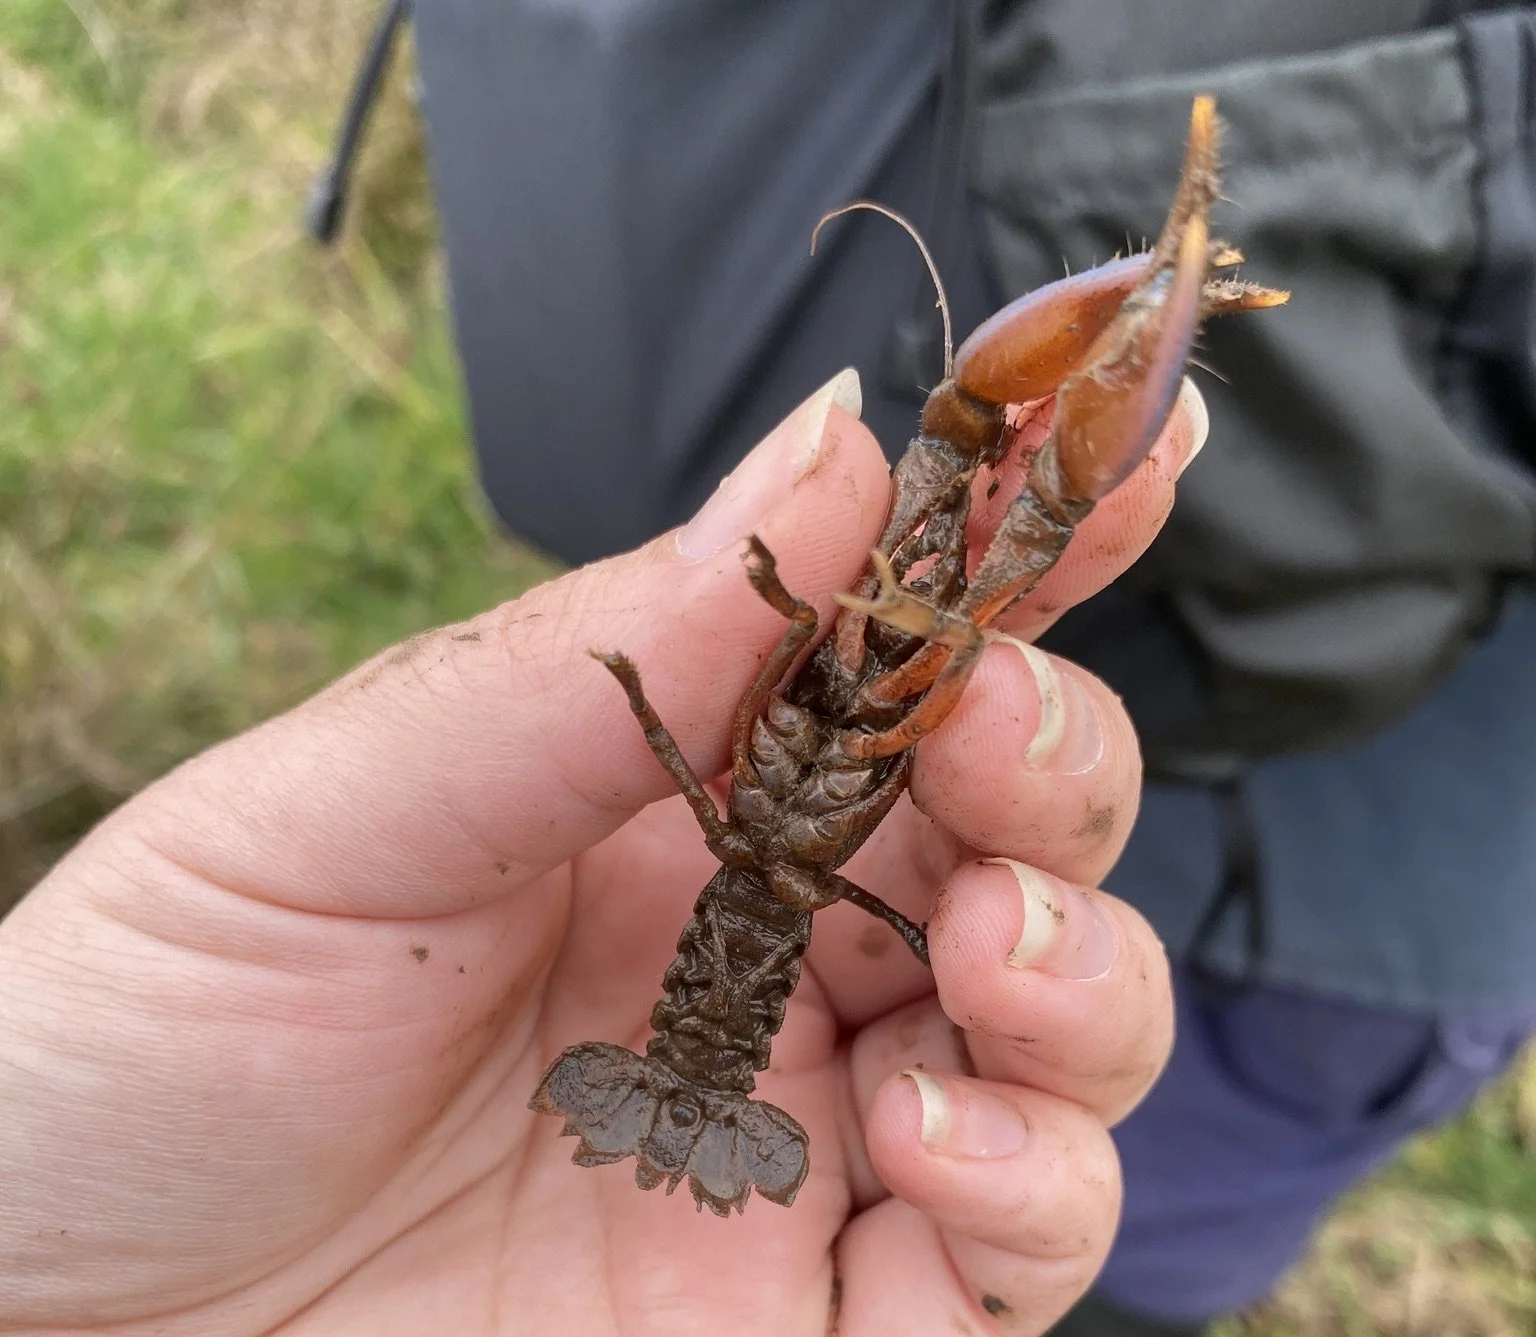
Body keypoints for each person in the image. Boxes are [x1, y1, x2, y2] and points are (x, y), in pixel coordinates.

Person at [384, 1, 1536, 1332]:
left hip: (1208, 886)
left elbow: (795, 673)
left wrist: (717, 685)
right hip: (1375, 881)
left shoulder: (854, 697)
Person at [0, 383, 1204, 1334]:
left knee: (933, 680)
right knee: (932, 679)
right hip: (779, 904)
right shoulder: (862, 708)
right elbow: (794, 660)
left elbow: (755, 707)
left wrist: (658, 684)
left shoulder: (816, 712)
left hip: (758, 869)